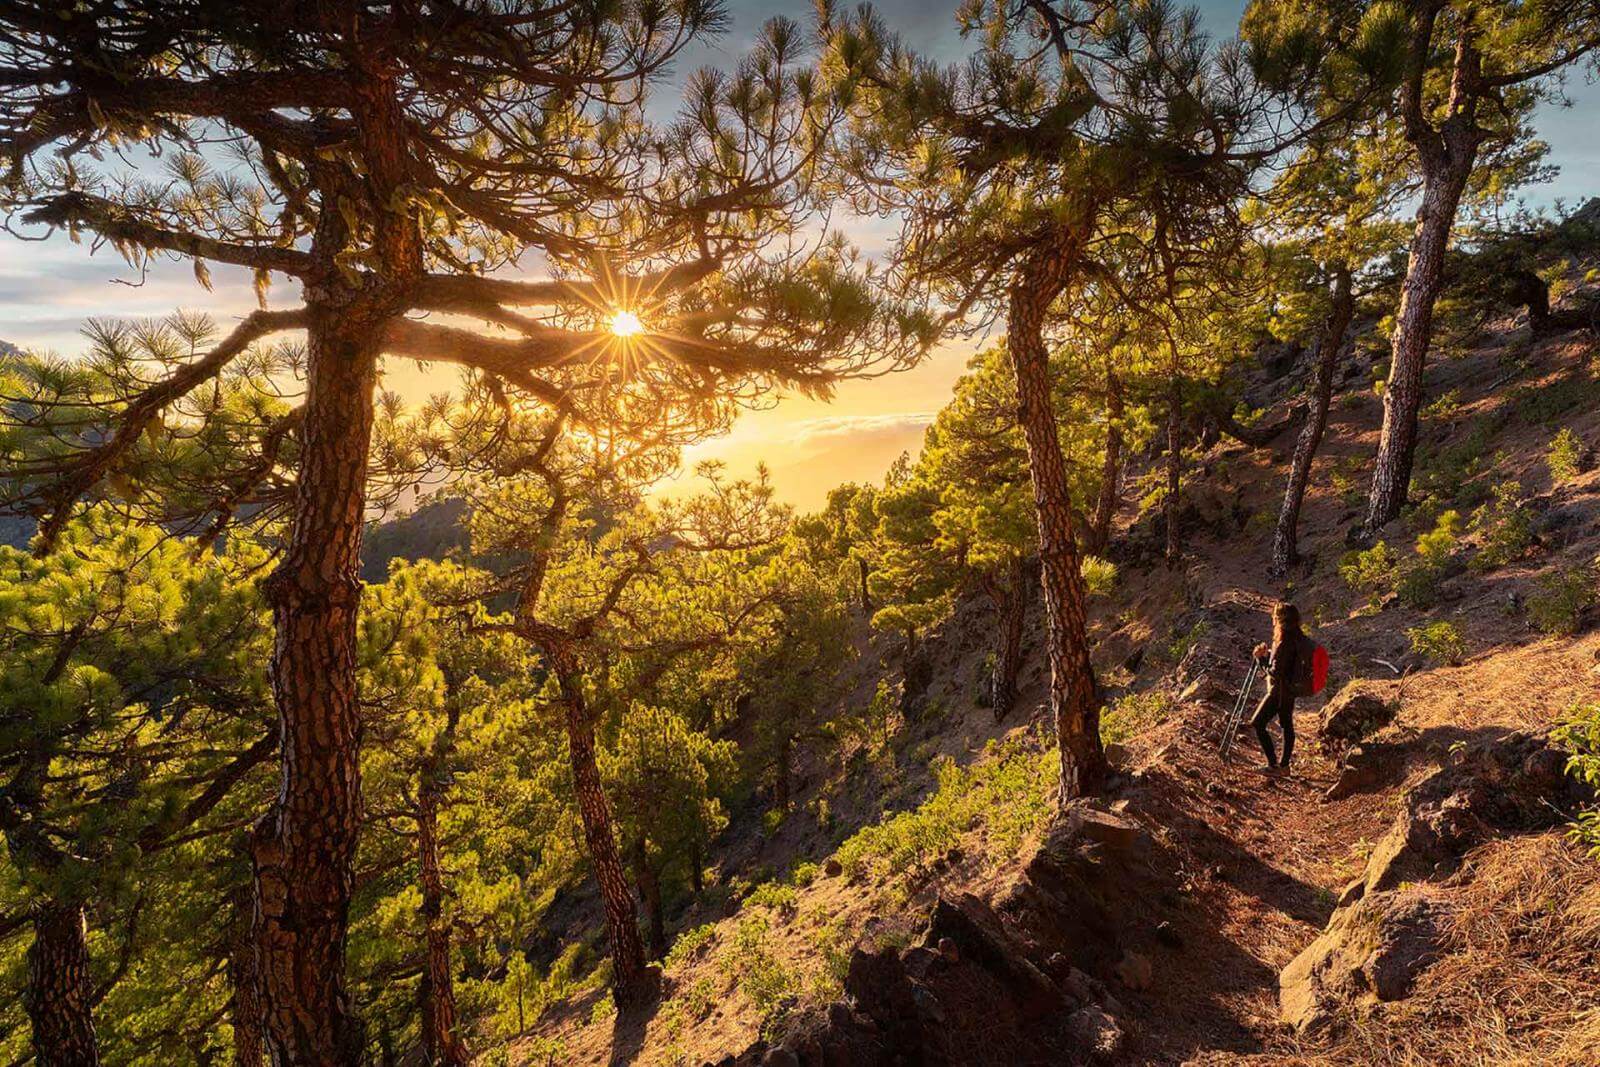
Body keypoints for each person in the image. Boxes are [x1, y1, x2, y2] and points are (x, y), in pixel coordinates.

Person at [1250, 601, 1302, 772]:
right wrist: (1269, 655)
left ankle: (1273, 764)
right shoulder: (1295, 637)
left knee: (1258, 723)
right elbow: (1284, 663)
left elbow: (1275, 672)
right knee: (1287, 726)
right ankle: (1284, 766)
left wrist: (1261, 659)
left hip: (1278, 692)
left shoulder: (1283, 641)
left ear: (1279, 619)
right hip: (1289, 691)